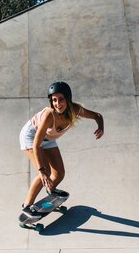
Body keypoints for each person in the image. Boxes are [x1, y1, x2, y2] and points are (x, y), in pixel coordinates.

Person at [19, 81, 104, 219]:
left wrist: (100, 126)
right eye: (54, 100)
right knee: (44, 172)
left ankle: (51, 190)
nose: (58, 104)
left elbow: (97, 116)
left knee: (59, 173)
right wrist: (42, 172)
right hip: (31, 137)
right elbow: (36, 145)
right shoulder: (49, 115)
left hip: (48, 139)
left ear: (68, 99)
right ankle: (27, 206)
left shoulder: (75, 110)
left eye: (61, 100)